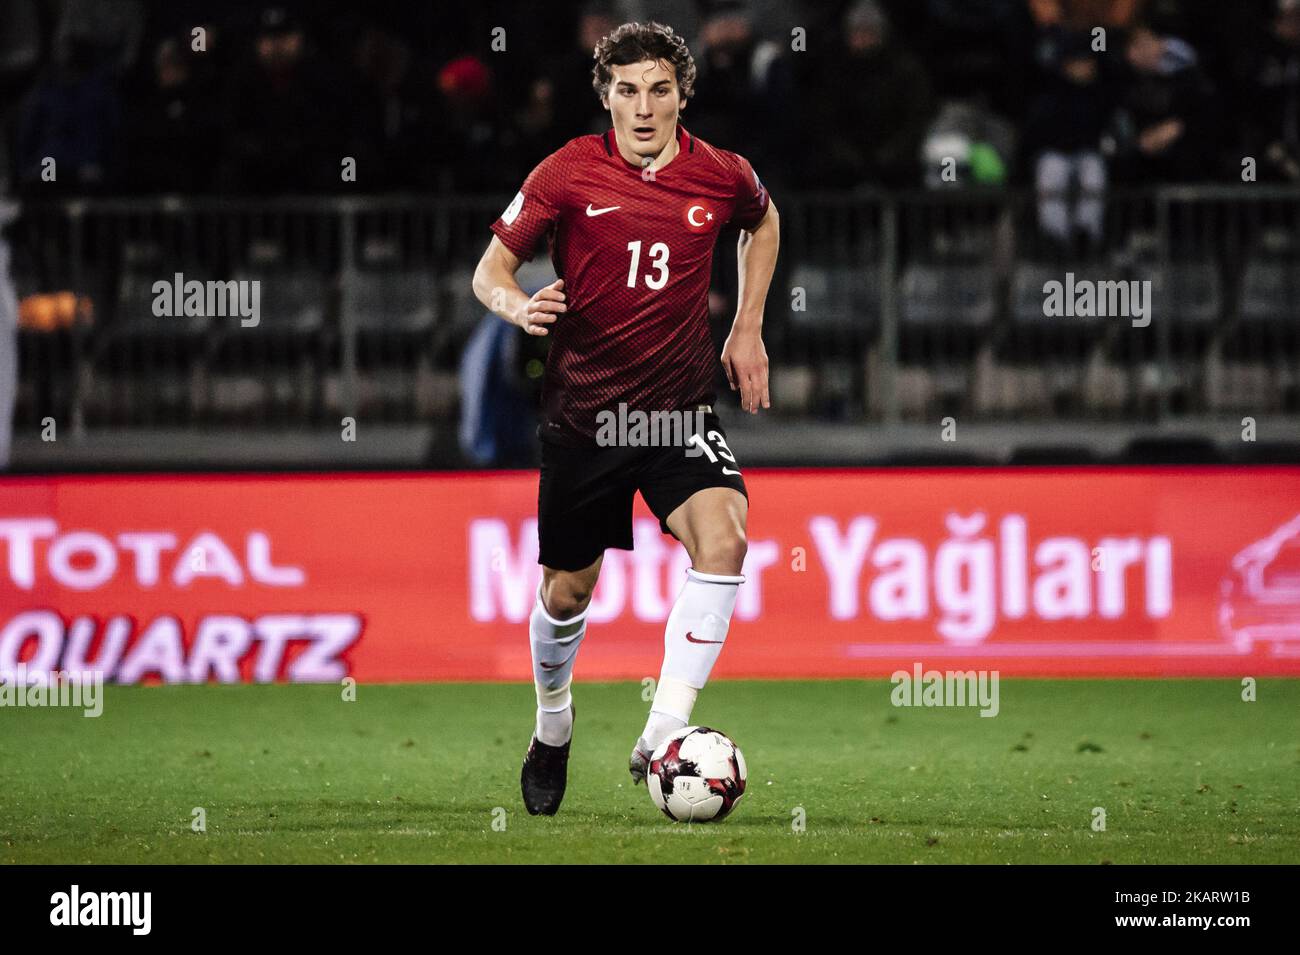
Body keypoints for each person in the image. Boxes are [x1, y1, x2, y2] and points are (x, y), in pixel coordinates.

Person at [471, 20, 779, 815]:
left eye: (659, 89)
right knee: (567, 593)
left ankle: (662, 735)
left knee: (728, 537)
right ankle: (552, 723)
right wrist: (517, 303)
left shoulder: (720, 174)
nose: (643, 107)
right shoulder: (568, 172)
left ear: (683, 94)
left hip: (677, 413)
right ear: (606, 95)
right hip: (586, 419)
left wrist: (746, 326)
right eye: (627, 90)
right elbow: (490, 270)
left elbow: (764, 219)